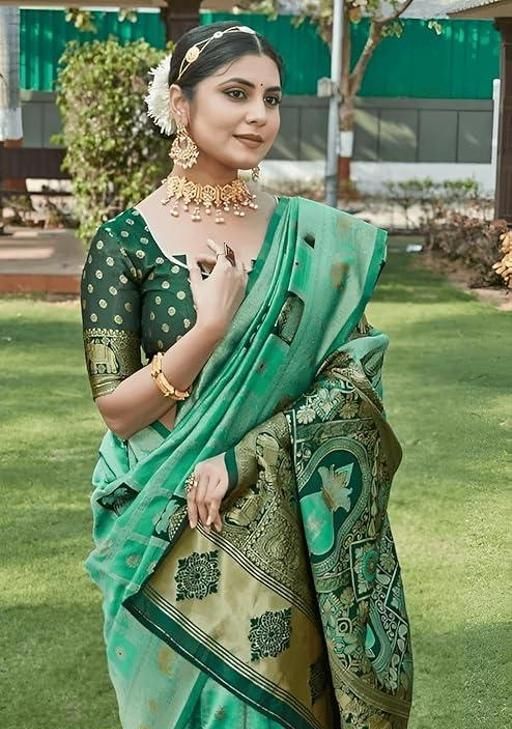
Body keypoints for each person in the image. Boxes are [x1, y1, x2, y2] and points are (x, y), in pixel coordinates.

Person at [81, 21, 413, 729]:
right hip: (161, 520)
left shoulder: (309, 237)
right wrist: (208, 328)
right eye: (236, 94)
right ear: (181, 105)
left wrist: (249, 453)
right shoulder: (124, 242)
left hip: (276, 521)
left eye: (272, 98)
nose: (259, 115)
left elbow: (353, 379)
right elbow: (118, 410)